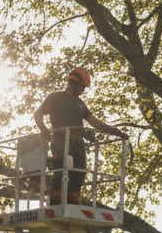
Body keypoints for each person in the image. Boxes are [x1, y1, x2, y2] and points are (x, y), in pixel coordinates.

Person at [33, 67, 127, 204]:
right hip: (60, 141)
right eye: (83, 87)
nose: (83, 91)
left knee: (79, 173)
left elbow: (94, 122)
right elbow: (38, 114)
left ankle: (72, 202)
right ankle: (55, 203)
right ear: (75, 84)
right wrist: (44, 130)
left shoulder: (80, 103)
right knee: (61, 172)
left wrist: (115, 131)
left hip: (77, 143)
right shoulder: (55, 97)